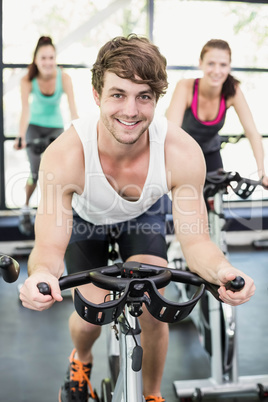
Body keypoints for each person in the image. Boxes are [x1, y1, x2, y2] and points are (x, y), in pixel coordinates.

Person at [19, 34, 255, 402]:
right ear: (97, 95)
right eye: (118, 94)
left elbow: (196, 242)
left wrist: (223, 271)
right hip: (86, 219)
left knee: (154, 306)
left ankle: (151, 394)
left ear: (156, 100)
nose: (130, 110)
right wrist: (42, 276)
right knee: (89, 315)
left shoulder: (182, 152)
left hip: (141, 215)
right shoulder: (65, 156)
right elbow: (48, 246)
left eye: (143, 96)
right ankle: (80, 360)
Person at [166, 38, 268, 186]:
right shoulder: (185, 87)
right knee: (188, 199)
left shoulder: (233, 91)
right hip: (184, 153)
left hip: (211, 154)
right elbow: (171, 132)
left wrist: (262, 172)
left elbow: (252, 132)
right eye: (211, 64)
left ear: (229, 67)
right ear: (200, 63)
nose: (217, 71)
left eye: (223, 65)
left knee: (216, 199)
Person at [14, 36, 78, 222]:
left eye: (51, 58)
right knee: (35, 172)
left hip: (55, 128)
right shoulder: (28, 79)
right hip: (33, 127)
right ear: (36, 59)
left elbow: (73, 109)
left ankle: (53, 210)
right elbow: (25, 110)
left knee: (56, 172)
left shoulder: (64, 78)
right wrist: (20, 136)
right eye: (43, 58)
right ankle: (26, 207)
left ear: (55, 59)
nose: (48, 62)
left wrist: (79, 132)